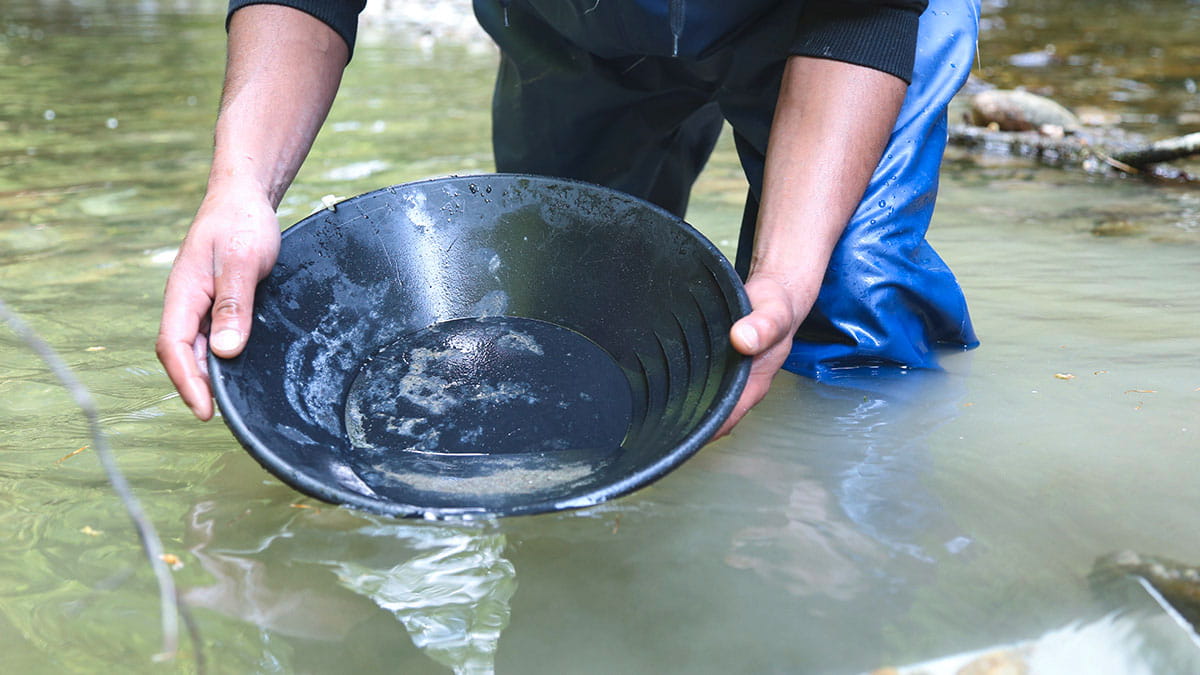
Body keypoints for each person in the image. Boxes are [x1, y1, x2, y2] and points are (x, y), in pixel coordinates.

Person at [157, 0, 981, 438]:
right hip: (578, 29)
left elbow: (864, 13)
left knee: (851, 302)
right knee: (569, 325)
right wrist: (240, 186)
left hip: (850, 27)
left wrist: (792, 274)